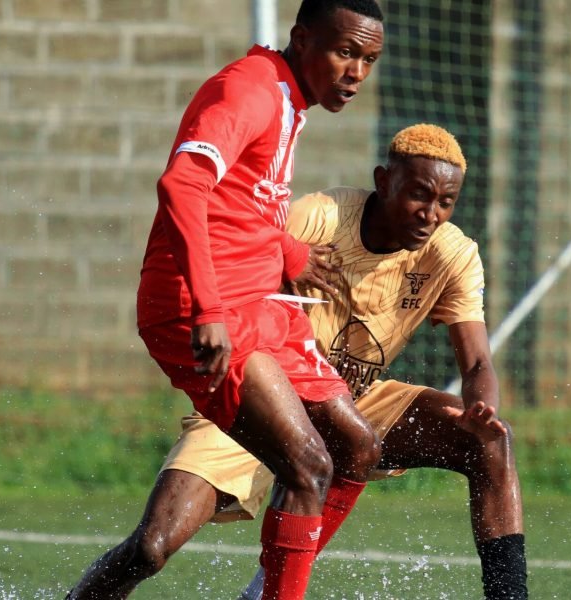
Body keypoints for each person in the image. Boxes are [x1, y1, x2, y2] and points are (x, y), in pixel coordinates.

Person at [78, 123, 529, 600]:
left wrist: (483, 409)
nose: (431, 213)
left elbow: (478, 362)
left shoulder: (452, 254)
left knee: (488, 445)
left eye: (446, 201)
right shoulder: (319, 218)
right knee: (151, 548)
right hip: (258, 399)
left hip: (352, 406)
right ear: (383, 180)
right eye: (418, 194)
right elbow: (238, 256)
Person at [66, 2, 386, 599]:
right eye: (345, 52)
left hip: (262, 305)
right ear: (302, 38)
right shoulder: (251, 89)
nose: (356, 72)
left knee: (357, 447)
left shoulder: (288, 99)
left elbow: (238, 202)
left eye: (368, 59)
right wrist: (209, 312)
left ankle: (267, 589)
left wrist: (286, 251)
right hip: (202, 310)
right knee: (308, 467)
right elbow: (183, 184)